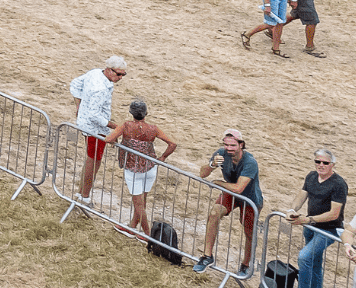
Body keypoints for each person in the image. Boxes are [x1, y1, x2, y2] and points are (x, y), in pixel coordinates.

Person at [194, 130, 263, 275]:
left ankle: (245, 264)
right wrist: (212, 165)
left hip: (250, 199)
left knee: (249, 232)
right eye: (226, 144)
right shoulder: (221, 153)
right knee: (214, 213)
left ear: (241, 145)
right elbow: (202, 174)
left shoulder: (250, 162)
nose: (228, 148)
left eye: (232, 145)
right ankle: (207, 256)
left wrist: (219, 183)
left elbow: (238, 188)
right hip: (231, 193)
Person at [107, 99, 177, 237]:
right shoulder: (153, 129)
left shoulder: (126, 125)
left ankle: (147, 235)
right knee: (142, 201)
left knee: (139, 204)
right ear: (146, 113)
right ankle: (133, 226)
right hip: (150, 168)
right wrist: (162, 157)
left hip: (133, 169)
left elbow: (109, 139)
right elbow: (172, 144)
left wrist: (116, 142)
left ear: (131, 113)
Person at [297, 149, 352, 288]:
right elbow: (302, 195)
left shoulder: (339, 184)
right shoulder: (311, 177)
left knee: (304, 257)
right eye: (317, 161)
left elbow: (334, 214)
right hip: (311, 227)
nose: (320, 165)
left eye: (325, 163)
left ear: (332, 165)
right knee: (313, 264)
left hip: (328, 230)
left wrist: (308, 219)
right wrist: (293, 210)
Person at [69, 56, 129, 201]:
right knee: (94, 160)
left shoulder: (95, 72)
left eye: (123, 74)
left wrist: (79, 105)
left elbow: (75, 84)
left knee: (92, 159)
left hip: (87, 123)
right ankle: (84, 195)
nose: (120, 77)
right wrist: (115, 127)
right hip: (95, 129)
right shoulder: (100, 89)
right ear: (108, 70)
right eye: (118, 74)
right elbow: (94, 115)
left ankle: (82, 191)